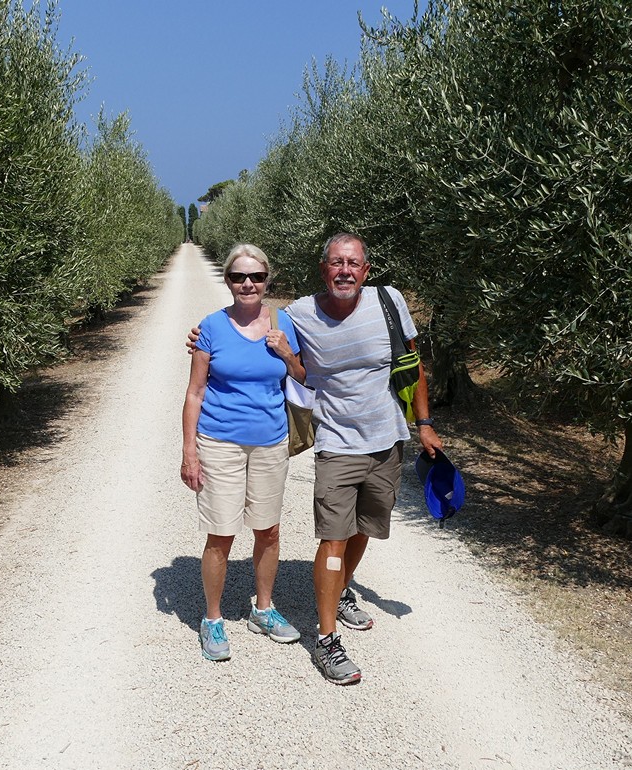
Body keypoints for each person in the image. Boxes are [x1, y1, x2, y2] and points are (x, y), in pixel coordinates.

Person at [189, 233, 442, 684]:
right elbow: (209, 374)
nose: (248, 283)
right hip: (302, 442)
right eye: (239, 276)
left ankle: (306, 599)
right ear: (323, 269)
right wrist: (200, 339)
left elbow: (406, 364)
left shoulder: (361, 306)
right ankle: (285, 632)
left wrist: (423, 423)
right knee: (293, 535)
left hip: (349, 440)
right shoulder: (274, 317)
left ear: (366, 269)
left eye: (353, 263)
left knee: (332, 529)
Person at [181, 243, 307, 662]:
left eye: (256, 276)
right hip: (219, 442)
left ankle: (263, 610)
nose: (248, 283)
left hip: (271, 442)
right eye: (238, 277)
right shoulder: (211, 327)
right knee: (221, 533)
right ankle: (212, 619)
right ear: (228, 281)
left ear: (268, 279)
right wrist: (189, 451)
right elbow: (195, 392)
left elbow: (303, 376)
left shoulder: (284, 323)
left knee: (268, 530)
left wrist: (286, 352)